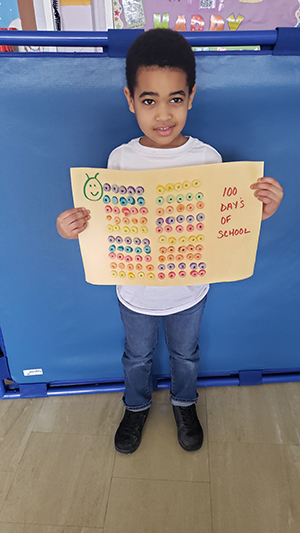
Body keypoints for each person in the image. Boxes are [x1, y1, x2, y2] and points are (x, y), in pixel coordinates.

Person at [56, 29, 283, 455]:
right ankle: (136, 405)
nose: (163, 114)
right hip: (135, 294)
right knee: (136, 357)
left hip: (189, 291)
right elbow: (107, 225)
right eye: (149, 101)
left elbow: (224, 220)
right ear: (130, 99)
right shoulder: (119, 160)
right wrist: (74, 226)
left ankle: (184, 402)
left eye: (175, 99)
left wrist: (260, 210)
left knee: (186, 355)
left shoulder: (207, 159)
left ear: (191, 96)